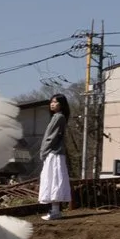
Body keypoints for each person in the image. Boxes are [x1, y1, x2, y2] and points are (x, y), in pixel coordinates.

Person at [36, 93, 73, 222]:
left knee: (53, 180)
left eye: (55, 102)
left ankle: (55, 211)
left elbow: (51, 137)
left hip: (53, 153)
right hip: (54, 152)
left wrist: (43, 151)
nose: (52, 104)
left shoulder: (58, 117)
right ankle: (55, 210)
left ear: (61, 104)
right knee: (54, 180)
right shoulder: (58, 117)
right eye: (51, 102)